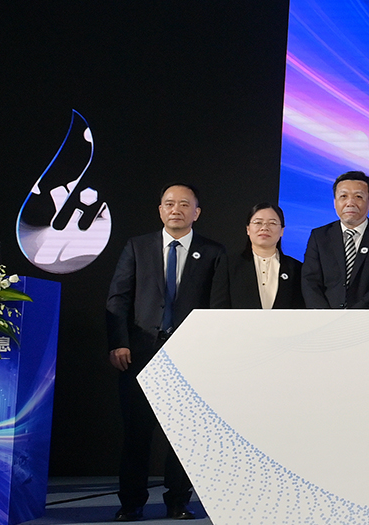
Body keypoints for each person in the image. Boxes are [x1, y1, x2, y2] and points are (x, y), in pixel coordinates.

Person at [103, 183, 225, 521]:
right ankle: (131, 503)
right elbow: (118, 298)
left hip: (190, 356)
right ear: (160, 210)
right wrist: (118, 341)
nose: (176, 209)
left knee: (185, 436)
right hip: (140, 353)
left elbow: (217, 307)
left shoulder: (213, 252)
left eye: (185, 204)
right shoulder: (137, 246)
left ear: (196, 213)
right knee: (137, 433)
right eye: (169, 203)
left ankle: (178, 501)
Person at [300, 171, 369, 309]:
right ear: (335, 202)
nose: (350, 203)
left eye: (358, 196)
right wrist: (324, 315)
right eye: (343, 196)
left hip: (368, 317)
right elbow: (310, 281)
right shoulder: (319, 236)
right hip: (324, 318)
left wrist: (353, 314)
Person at [210, 204, 304, 309]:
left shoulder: (296, 268)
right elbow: (218, 306)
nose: (264, 228)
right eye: (258, 223)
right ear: (248, 229)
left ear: (282, 230)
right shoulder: (229, 264)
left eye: (272, 223)